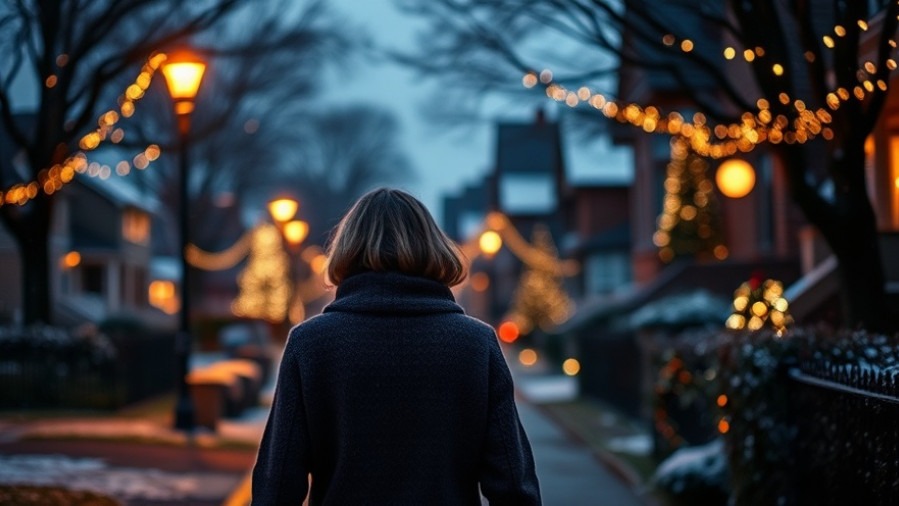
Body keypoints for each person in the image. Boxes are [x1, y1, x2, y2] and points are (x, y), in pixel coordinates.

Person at [251, 187, 541, 505]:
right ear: (433, 248)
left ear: (346, 250)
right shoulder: (475, 345)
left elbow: (276, 486)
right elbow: (513, 486)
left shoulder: (311, 345)